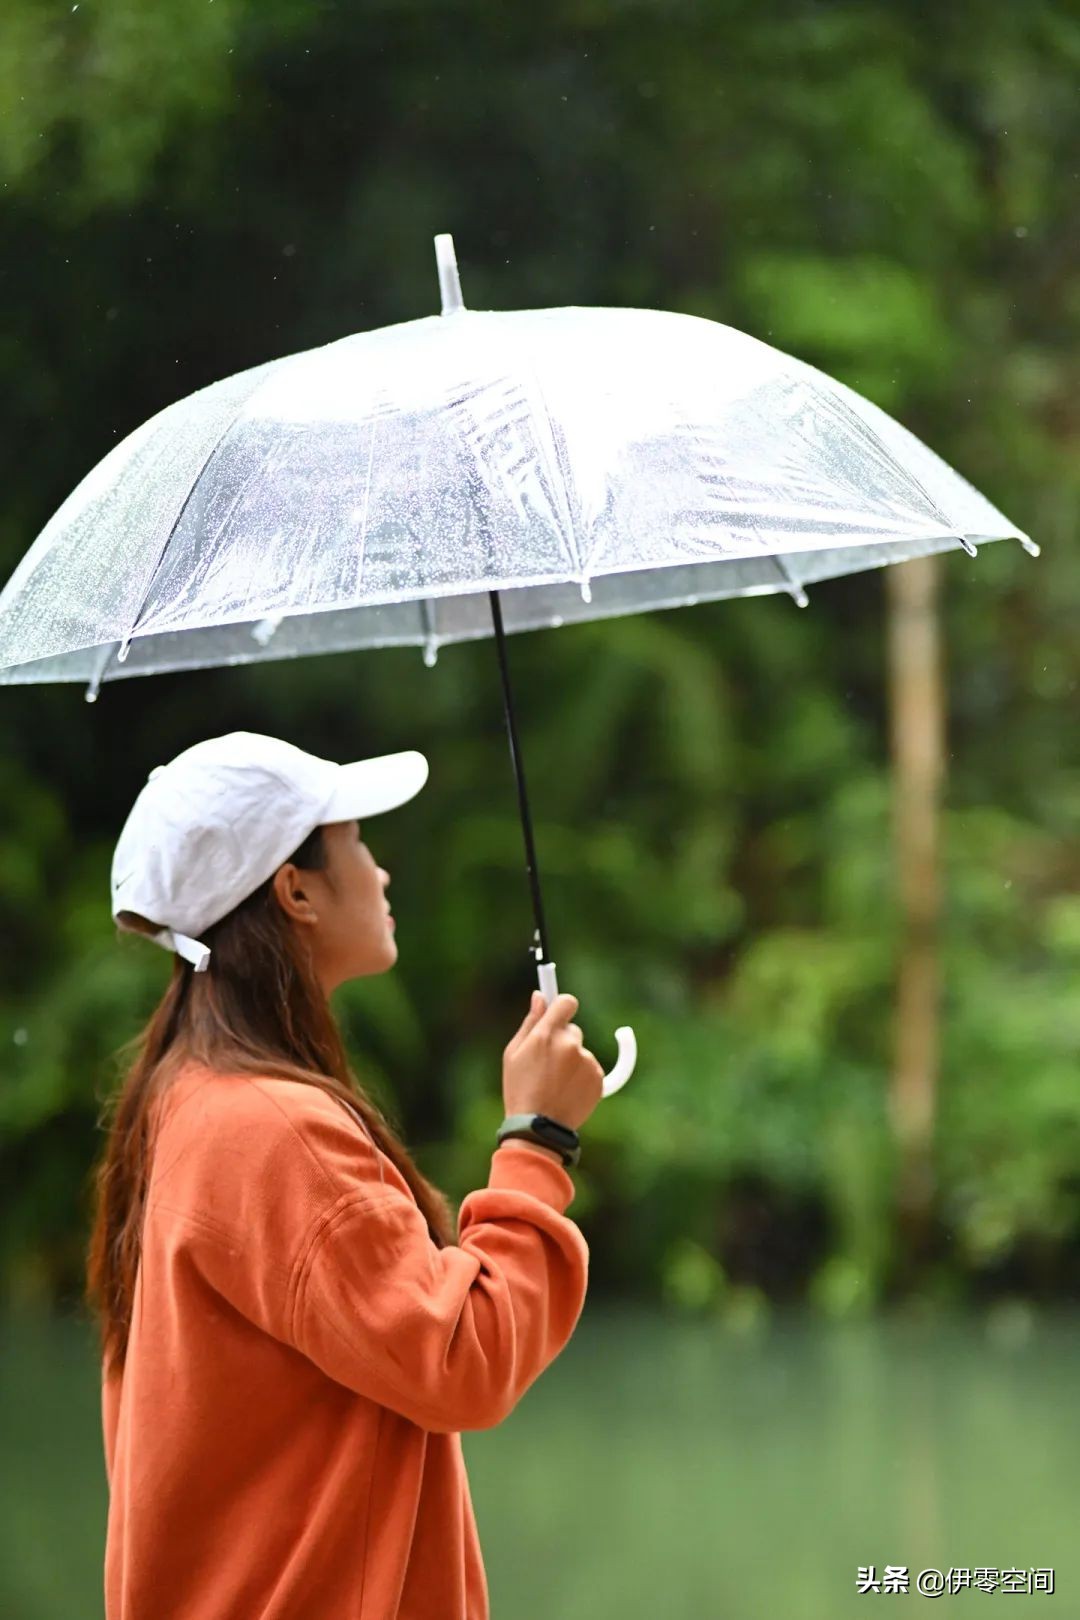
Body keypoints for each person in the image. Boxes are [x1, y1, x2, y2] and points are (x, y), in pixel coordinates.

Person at [85, 730, 604, 1620]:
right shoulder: (271, 1130)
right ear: (294, 889)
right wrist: (538, 1139)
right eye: (358, 841)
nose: (383, 872)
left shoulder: (188, 1099)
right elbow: (460, 1359)